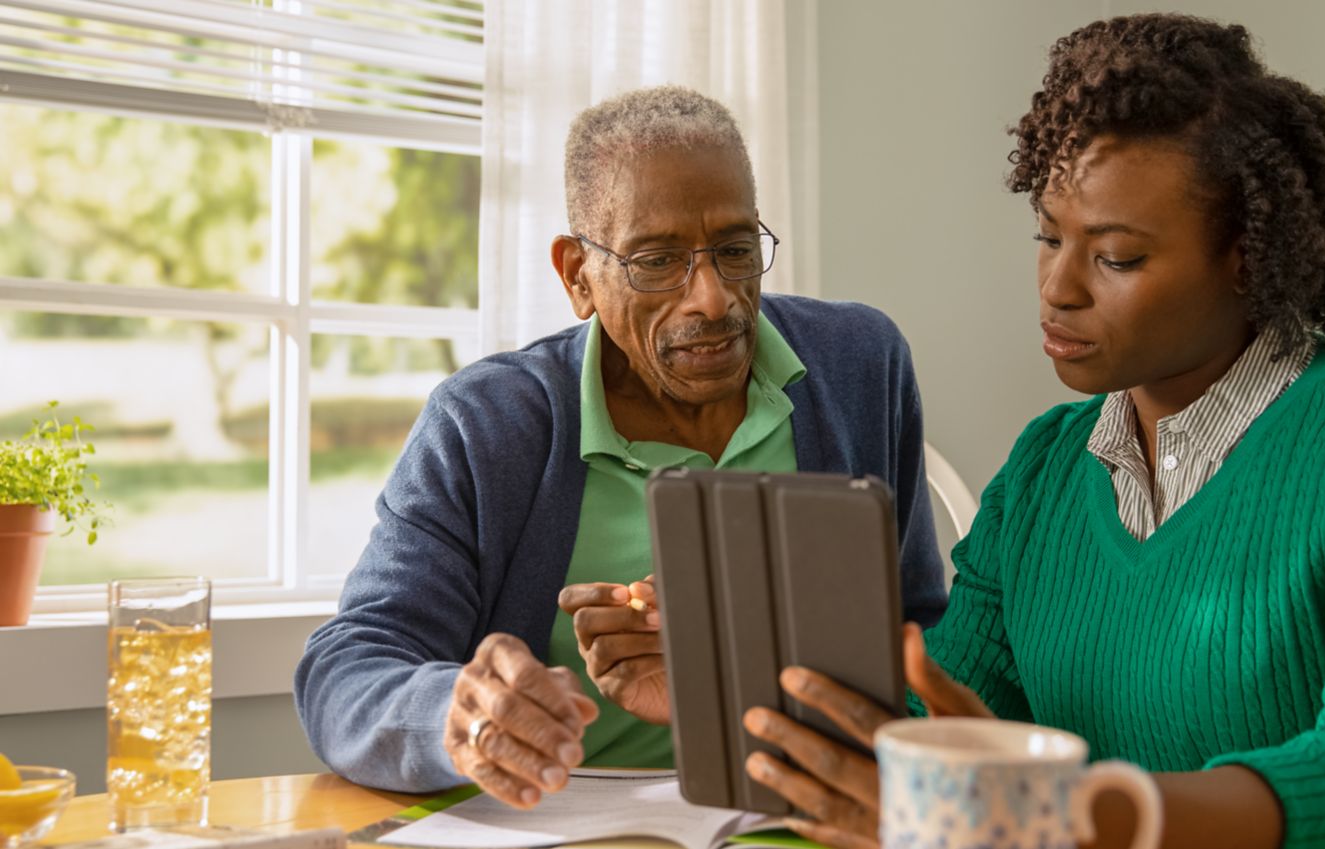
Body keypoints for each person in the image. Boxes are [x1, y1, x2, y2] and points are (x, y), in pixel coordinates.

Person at [740, 14, 1325, 849]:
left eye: (1115, 257)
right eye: (1047, 236)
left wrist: (1064, 812)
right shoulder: (1043, 470)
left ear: (1249, 255)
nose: (1056, 287)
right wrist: (728, 677)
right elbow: (953, 718)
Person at [293, 85, 949, 809]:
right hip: (564, 822)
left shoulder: (860, 363)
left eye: (735, 249)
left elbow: (924, 634)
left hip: (811, 817)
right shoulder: (487, 423)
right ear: (578, 275)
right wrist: (460, 711)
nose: (713, 297)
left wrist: (754, 680)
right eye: (657, 261)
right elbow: (345, 670)